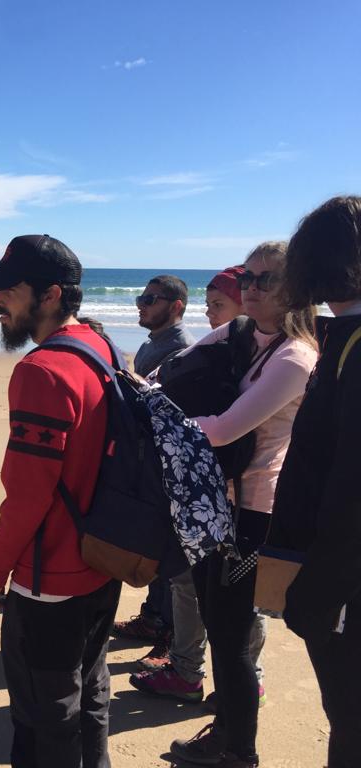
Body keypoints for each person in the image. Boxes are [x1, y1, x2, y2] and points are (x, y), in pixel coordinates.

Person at [169, 242, 317, 768]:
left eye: (265, 281)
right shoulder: (241, 335)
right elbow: (173, 371)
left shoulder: (296, 356)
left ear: (296, 287)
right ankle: (226, 728)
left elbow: (229, 426)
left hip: (256, 511)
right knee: (212, 613)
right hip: (217, 498)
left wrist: (166, 426)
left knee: (231, 634)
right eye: (246, 278)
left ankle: (240, 750)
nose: (251, 288)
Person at [0, 234, 121, 768]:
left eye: (8, 292)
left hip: (49, 576)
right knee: (90, 690)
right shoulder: (101, 349)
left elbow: (28, 495)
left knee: (45, 709)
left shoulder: (41, 372)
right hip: (100, 560)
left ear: (51, 294)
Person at [133, 265, 267, 706]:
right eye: (209, 306)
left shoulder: (265, 358)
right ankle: (191, 668)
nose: (212, 317)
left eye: (220, 307)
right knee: (194, 586)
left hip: (239, 495)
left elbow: (225, 429)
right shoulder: (229, 352)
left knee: (230, 594)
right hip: (209, 490)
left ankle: (230, 676)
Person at [266, 196, 361, 768]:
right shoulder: (341, 336)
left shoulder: (354, 343)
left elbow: (352, 490)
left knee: (351, 720)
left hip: (345, 582)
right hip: (338, 574)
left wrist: (315, 596)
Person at [113, 275, 197, 666]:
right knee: (153, 541)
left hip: (166, 459)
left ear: (176, 306)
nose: (141, 305)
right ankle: (152, 619)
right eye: (139, 298)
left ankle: (166, 635)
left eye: (150, 299)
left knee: (166, 549)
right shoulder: (155, 341)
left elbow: (167, 403)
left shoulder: (182, 348)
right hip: (147, 454)